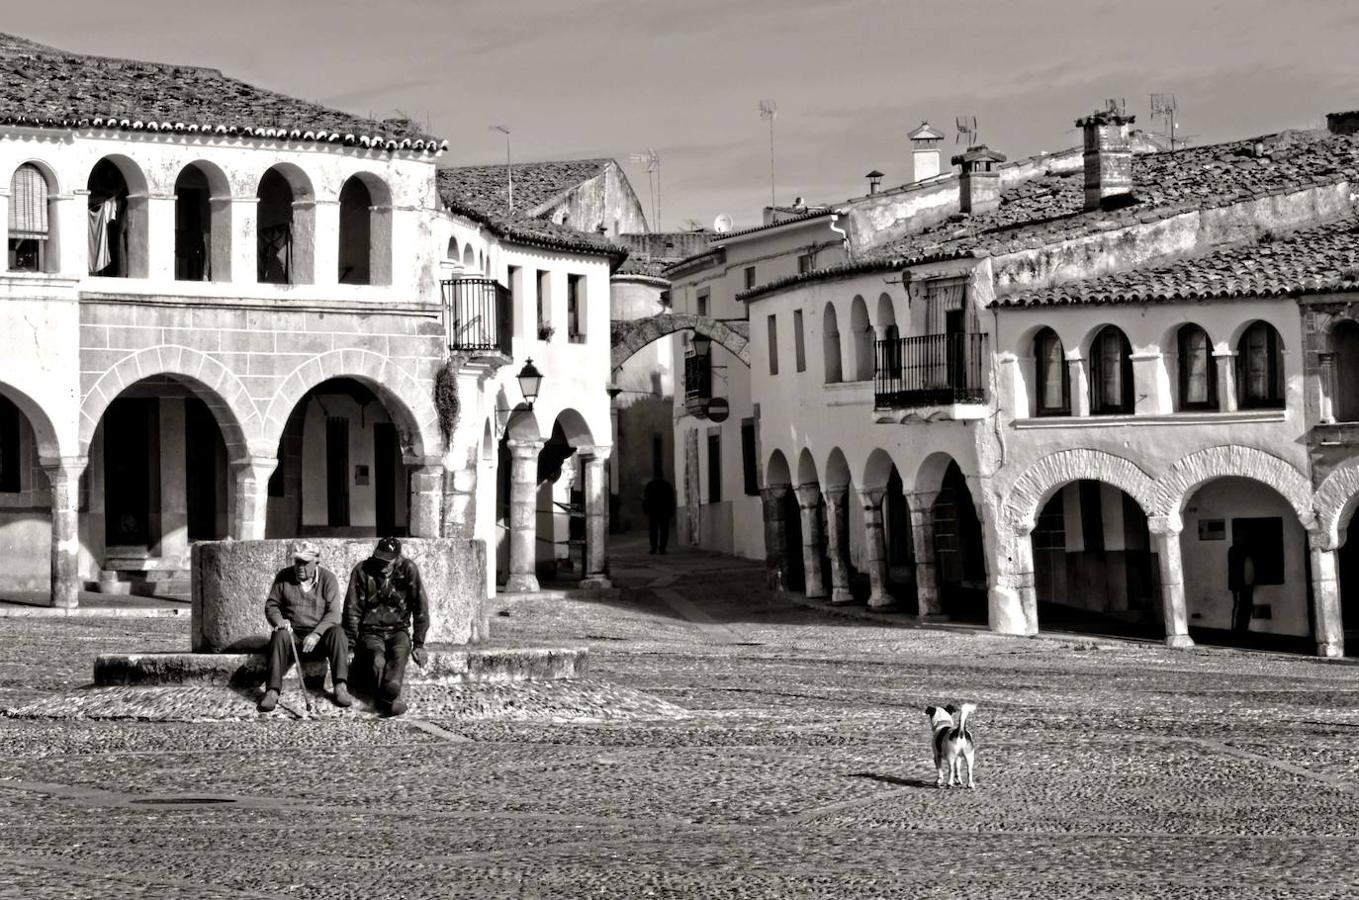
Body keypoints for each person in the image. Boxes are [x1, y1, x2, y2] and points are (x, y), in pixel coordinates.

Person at [259, 541, 351, 713]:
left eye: (305, 562)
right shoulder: (284, 577)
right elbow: (272, 605)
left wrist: (316, 634)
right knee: (279, 635)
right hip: (293, 637)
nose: (300, 567)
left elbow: (334, 614)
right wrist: (279, 620)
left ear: (316, 561)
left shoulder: (328, 579)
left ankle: (340, 686)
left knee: (338, 633)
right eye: (297, 562)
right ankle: (272, 690)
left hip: (320, 637)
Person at [343, 537, 430, 716]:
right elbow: (351, 609)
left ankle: (390, 691)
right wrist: (351, 645)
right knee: (377, 659)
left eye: (387, 561)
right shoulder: (361, 570)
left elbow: (420, 606)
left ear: (397, 558)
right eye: (379, 559)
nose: (382, 565)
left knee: (399, 653)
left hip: (399, 629)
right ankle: (392, 700)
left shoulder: (408, 569)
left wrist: (419, 643)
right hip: (370, 631)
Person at [1228, 538, 1256, 635]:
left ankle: (1241, 628)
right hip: (1241, 584)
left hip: (1245, 584)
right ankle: (1238, 629)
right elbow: (1234, 570)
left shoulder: (1240, 551)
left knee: (1244, 606)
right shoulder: (1236, 551)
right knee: (1240, 606)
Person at [642, 475, 676, 555]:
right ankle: (662, 548)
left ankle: (653, 548)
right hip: (664, 511)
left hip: (653, 511)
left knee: (653, 530)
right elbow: (671, 498)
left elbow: (645, 498)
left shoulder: (650, 485)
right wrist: (672, 511)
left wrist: (646, 510)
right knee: (664, 530)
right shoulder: (666, 485)